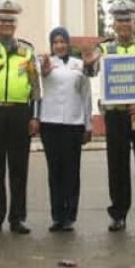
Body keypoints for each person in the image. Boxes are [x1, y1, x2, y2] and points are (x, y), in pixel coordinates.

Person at [84, 0, 135, 232]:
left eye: (128, 20)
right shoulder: (105, 49)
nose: (123, 25)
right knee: (117, 166)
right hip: (116, 116)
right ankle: (118, 214)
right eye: (119, 21)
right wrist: (89, 63)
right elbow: (90, 69)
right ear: (113, 24)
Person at [0, 0, 40, 235]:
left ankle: (18, 218)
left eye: (10, 21)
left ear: (16, 24)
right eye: (2, 20)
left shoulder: (27, 50)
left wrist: (35, 115)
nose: (6, 24)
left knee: (18, 168)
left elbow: (35, 84)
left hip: (20, 112)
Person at [38, 26, 93, 232]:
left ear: (68, 43)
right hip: (50, 123)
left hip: (73, 124)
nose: (59, 45)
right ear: (51, 45)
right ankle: (57, 216)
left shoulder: (80, 65)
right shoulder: (44, 63)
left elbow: (85, 95)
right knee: (55, 172)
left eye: (62, 41)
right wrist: (42, 70)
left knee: (72, 171)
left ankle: (70, 215)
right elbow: (36, 81)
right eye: (55, 42)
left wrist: (88, 125)